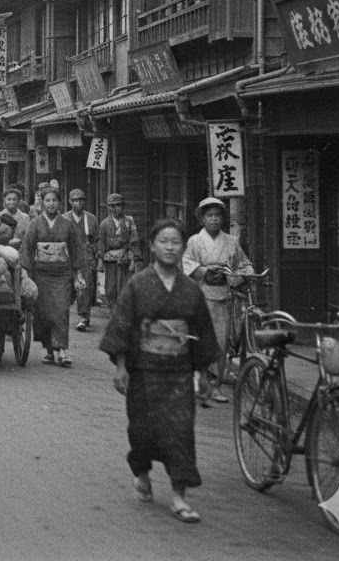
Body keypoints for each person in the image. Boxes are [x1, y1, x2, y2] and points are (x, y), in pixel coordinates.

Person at [98, 219, 219, 524]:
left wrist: (203, 373)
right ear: (151, 246)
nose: (169, 247)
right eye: (163, 241)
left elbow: (202, 332)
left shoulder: (191, 290)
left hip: (178, 374)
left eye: (175, 242)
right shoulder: (138, 284)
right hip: (144, 371)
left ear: (183, 247)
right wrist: (122, 367)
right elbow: (122, 325)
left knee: (181, 432)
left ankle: (179, 497)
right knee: (141, 432)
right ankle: (141, 471)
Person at [182, 197, 254, 406]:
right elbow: (186, 264)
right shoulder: (195, 241)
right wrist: (204, 271)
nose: (214, 220)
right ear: (202, 219)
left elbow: (244, 264)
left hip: (223, 297)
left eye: (218, 215)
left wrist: (238, 275)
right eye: (209, 216)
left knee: (221, 343)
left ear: (223, 218)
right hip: (201, 296)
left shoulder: (231, 242)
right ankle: (198, 383)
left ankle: (214, 386)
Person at [20, 187, 88, 367]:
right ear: (42, 202)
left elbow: (76, 250)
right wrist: (26, 272)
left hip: (62, 274)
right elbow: (27, 249)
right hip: (40, 274)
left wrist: (78, 273)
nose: (51, 204)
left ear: (59, 203)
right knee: (42, 314)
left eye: (54, 200)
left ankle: (62, 351)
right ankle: (49, 350)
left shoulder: (67, 225)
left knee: (60, 311)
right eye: (47, 200)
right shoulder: (35, 223)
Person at [97, 193, 142, 308]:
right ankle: (112, 308)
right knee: (110, 286)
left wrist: (134, 260)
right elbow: (101, 243)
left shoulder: (129, 221)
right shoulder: (104, 224)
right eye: (112, 206)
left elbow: (134, 240)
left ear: (123, 206)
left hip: (125, 256)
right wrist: (100, 262)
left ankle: (122, 310)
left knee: (124, 285)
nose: (116, 208)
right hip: (110, 258)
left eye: (118, 205)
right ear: (109, 208)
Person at [64, 189, 100, 331]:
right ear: (70, 202)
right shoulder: (64, 218)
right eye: (75, 200)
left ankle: (84, 317)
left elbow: (96, 240)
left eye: (80, 200)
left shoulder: (91, 219)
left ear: (84, 202)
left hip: (86, 257)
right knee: (67, 288)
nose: (78, 203)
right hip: (68, 256)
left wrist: (97, 258)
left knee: (85, 287)